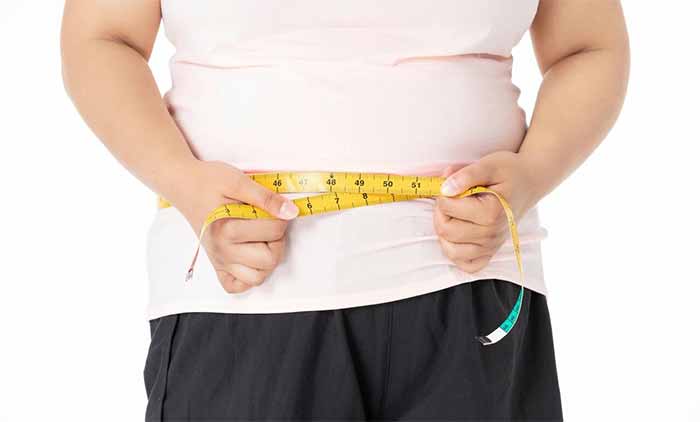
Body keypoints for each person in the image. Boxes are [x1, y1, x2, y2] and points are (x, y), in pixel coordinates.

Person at [60, 0, 629, 420]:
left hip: (475, 288)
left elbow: (588, 45)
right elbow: (102, 36)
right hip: (240, 292)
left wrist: (533, 173)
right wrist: (183, 182)